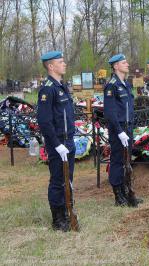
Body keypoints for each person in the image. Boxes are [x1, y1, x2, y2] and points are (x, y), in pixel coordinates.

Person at [37, 51, 78, 232]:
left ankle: (67, 210)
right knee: (57, 181)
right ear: (51, 66)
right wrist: (56, 144)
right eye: (60, 62)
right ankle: (58, 219)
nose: (64, 64)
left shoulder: (61, 86)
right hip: (58, 143)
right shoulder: (48, 89)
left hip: (68, 141)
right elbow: (44, 121)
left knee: (67, 179)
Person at [103, 53, 142, 207]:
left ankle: (127, 192)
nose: (127, 64)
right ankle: (118, 196)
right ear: (116, 66)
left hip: (127, 128)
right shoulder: (112, 85)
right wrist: (119, 131)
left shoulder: (125, 84)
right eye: (124, 62)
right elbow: (110, 112)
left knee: (127, 161)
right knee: (117, 162)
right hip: (118, 130)